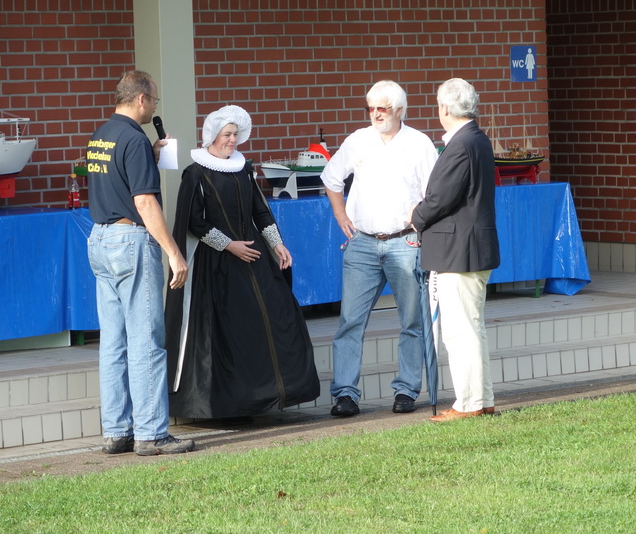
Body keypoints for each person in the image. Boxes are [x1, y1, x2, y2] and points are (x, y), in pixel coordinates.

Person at [165, 105, 320, 420]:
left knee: (271, 317)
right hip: (216, 265)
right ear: (212, 135)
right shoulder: (195, 173)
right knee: (226, 331)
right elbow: (194, 221)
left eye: (235, 134)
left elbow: (259, 211)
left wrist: (277, 244)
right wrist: (229, 245)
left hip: (253, 258)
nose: (232, 140)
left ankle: (261, 396)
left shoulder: (243, 169)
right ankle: (226, 406)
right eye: (227, 134)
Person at [85, 69, 195, 455]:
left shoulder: (101, 135)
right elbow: (144, 202)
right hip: (131, 241)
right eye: (155, 100)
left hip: (100, 238)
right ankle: (151, 433)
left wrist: (150, 156)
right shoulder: (134, 139)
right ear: (142, 99)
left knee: (113, 343)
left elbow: (115, 179)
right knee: (147, 340)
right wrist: (174, 252)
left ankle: (117, 431)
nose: (154, 108)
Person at [321, 80, 438, 417]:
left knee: (412, 321)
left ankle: (407, 390)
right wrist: (340, 214)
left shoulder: (418, 143)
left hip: (406, 240)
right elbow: (331, 177)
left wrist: (421, 225)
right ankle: (345, 394)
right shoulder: (358, 140)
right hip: (363, 243)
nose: (375, 114)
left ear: (399, 110)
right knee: (350, 321)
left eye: (382, 109)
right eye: (370, 108)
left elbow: (435, 193)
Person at [410, 77, 501, 421]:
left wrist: (415, 216)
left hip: (459, 252)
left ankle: (469, 403)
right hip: (468, 248)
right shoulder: (477, 138)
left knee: (460, 332)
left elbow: (440, 199)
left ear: (445, 108)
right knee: (471, 329)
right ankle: (481, 399)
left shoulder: (461, 144)